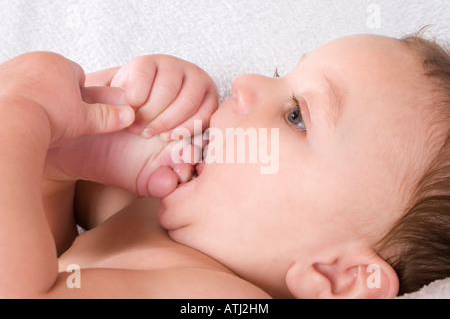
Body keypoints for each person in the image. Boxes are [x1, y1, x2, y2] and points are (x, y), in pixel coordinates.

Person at [1, 32, 449, 299]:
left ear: (339, 275)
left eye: (296, 116)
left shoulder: (221, 298)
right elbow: (49, 249)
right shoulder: (153, 213)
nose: (245, 82)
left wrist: (20, 116)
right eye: (279, 73)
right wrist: (66, 159)